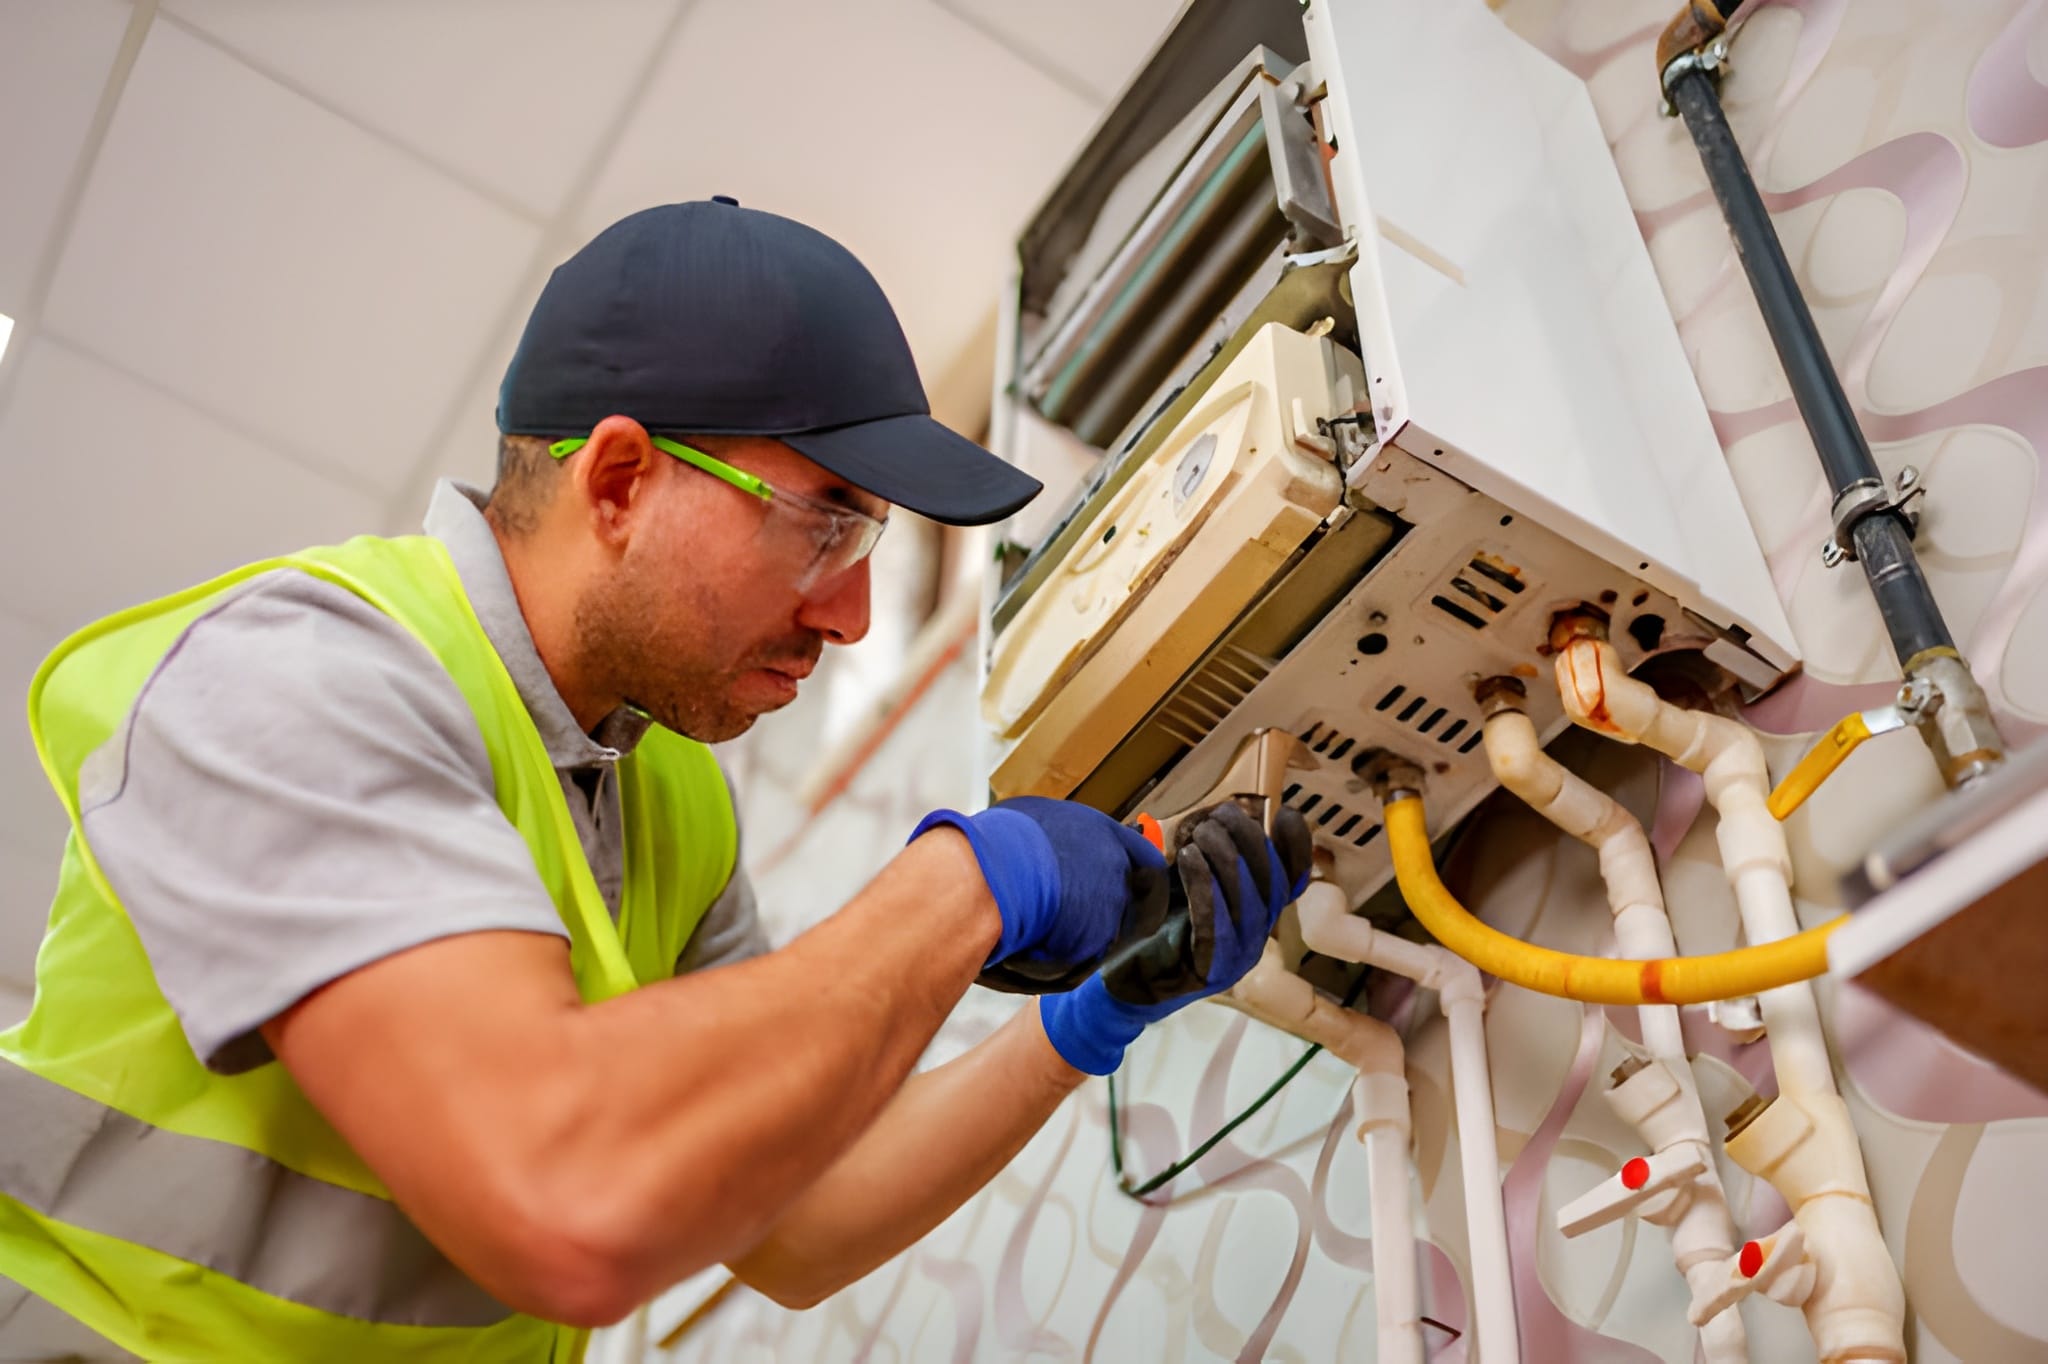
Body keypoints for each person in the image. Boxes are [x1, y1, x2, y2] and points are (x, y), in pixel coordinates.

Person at [0, 199, 1311, 1362]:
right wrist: (973, 880)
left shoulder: (666, 802)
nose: (855, 612)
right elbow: (564, 1197)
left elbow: (796, 1220)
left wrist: (1087, 1020)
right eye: (830, 524)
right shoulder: (299, 676)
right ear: (621, 480)